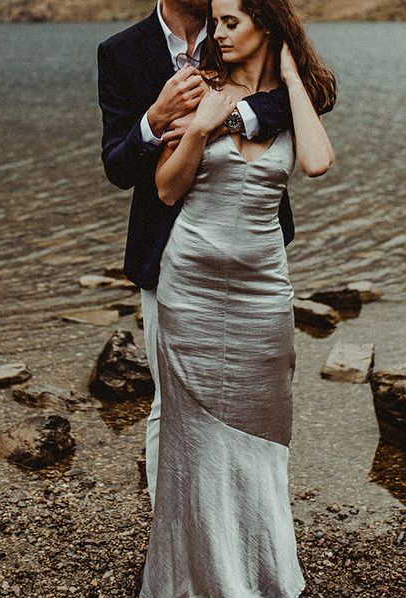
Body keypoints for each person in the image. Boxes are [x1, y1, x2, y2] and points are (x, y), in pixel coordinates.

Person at [138, 0, 336, 598]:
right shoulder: (202, 89)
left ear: (266, 27)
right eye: (215, 23)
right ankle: (198, 582)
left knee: (261, 433)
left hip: (262, 293)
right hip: (190, 284)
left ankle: (262, 572)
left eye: (230, 23)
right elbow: (168, 189)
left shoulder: (285, 101)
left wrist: (291, 76)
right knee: (193, 438)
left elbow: (315, 161)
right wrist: (200, 128)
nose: (215, 33)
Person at [97, 0, 298, 512]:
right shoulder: (120, 53)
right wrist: (154, 119)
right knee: (171, 402)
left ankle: (240, 529)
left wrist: (226, 117)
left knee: (252, 400)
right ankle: (175, 545)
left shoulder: (239, 25)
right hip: (167, 255)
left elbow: (307, 95)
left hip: (249, 255)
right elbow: (118, 168)